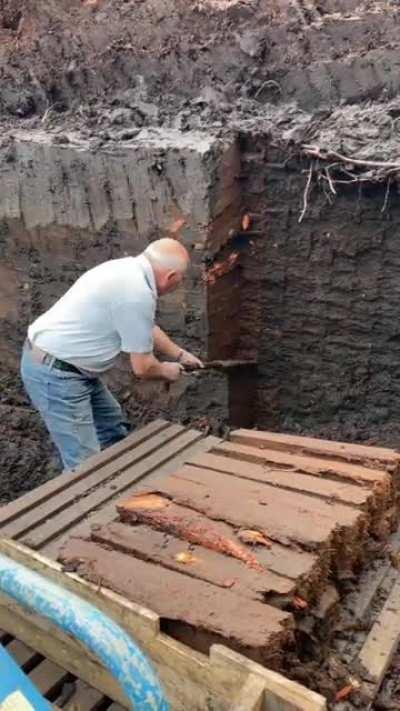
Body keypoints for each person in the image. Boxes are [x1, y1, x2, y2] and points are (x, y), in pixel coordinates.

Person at [21, 238, 203, 472]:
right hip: (56, 374)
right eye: (181, 278)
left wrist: (179, 354)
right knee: (83, 463)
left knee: (111, 426)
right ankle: (88, 497)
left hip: (68, 366)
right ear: (170, 277)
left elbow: (145, 325)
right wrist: (168, 371)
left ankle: (117, 478)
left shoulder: (127, 270)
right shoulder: (135, 293)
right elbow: (144, 368)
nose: (181, 283)